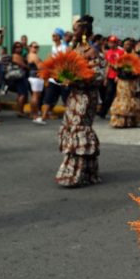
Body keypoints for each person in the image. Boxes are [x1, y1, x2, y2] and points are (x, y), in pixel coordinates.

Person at [56, 15, 104, 187]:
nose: (72, 32)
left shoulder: (92, 51)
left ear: (83, 31)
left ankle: (76, 172)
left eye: (75, 29)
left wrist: (78, 78)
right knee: (71, 127)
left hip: (86, 97)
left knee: (79, 128)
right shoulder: (74, 50)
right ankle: (87, 172)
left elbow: (99, 76)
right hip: (73, 95)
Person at [109, 38, 140, 128]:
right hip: (122, 82)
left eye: (129, 44)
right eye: (125, 44)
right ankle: (120, 122)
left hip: (132, 82)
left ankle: (132, 121)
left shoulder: (136, 56)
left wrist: (133, 72)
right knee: (122, 98)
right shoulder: (120, 55)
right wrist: (115, 68)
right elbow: (116, 66)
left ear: (132, 46)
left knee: (131, 99)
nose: (127, 46)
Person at [41, 28, 68, 121]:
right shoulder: (53, 47)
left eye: (55, 35)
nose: (53, 37)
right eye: (52, 35)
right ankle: (44, 116)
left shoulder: (64, 47)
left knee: (66, 99)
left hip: (62, 76)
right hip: (53, 77)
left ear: (59, 37)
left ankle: (70, 118)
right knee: (48, 97)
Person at [8, 41, 29, 117]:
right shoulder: (15, 56)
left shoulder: (19, 55)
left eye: (20, 47)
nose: (19, 48)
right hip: (19, 76)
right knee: (22, 94)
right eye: (17, 47)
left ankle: (20, 110)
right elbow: (22, 65)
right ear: (14, 48)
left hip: (19, 76)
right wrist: (28, 67)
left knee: (20, 94)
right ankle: (20, 111)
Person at [27, 41, 45, 124]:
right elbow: (40, 67)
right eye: (34, 46)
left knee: (35, 96)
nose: (36, 48)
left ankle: (32, 113)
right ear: (30, 47)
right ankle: (35, 115)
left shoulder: (31, 55)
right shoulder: (33, 56)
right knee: (36, 96)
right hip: (36, 77)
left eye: (37, 46)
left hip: (34, 77)